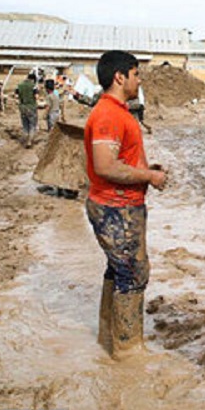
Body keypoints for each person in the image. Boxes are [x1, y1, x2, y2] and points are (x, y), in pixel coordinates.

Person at [84, 50, 167, 359]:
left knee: (119, 270)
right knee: (132, 274)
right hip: (116, 207)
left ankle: (110, 338)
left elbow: (117, 159)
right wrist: (148, 176)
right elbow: (105, 165)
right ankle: (128, 350)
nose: (139, 79)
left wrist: (146, 170)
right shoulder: (108, 114)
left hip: (118, 204)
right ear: (120, 77)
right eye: (136, 74)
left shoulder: (117, 111)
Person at [15, 72, 38, 148]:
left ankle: (25, 139)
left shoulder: (19, 86)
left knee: (25, 126)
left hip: (22, 108)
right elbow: (36, 96)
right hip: (31, 107)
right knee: (32, 125)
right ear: (33, 80)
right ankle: (29, 142)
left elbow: (16, 96)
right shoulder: (33, 86)